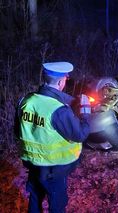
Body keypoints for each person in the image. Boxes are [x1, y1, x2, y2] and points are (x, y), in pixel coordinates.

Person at [14, 61, 91, 213]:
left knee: (35, 200)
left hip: (33, 165)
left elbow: (18, 131)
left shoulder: (26, 101)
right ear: (62, 81)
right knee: (56, 206)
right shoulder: (58, 111)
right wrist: (86, 112)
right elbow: (80, 134)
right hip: (53, 170)